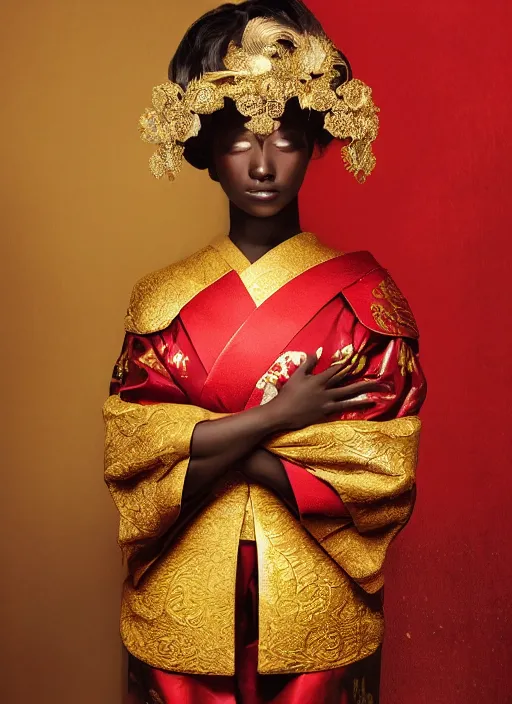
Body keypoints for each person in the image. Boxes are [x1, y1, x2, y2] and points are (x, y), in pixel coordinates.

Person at [103, 1, 427, 702]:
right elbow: (134, 454)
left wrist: (215, 443)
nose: (261, 162)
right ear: (207, 153)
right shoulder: (158, 301)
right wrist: (282, 418)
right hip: (183, 590)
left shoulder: (367, 302)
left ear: (314, 144)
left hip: (315, 601)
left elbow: (381, 468)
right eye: (238, 138)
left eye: (284, 138)